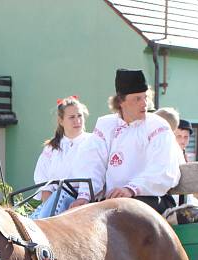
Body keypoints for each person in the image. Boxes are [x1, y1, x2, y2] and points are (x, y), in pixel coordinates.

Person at [73, 69, 180, 213]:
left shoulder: (158, 126)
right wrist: (84, 196)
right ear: (120, 102)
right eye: (137, 99)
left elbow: (163, 169)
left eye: (145, 97)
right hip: (113, 203)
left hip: (153, 199)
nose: (144, 104)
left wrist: (130, 189)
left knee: (120, 212)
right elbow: (94, 164)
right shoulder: (106, 126)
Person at [32, 96, 92, 217]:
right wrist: (50, 207)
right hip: (53, 202)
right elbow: (44, 183)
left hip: (81, 203)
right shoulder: (51, 148)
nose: (77, 121)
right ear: (61, 120)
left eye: (79, 116)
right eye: (71, 117)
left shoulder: (92, 142)